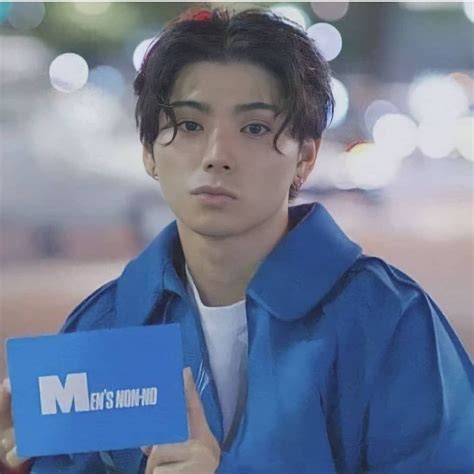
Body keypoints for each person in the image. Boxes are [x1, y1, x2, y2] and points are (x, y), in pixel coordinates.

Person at [1, 7, 473, 474]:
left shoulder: (386, 321)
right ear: (149, 151)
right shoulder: (104, 328)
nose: (216, 155)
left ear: (305, 158)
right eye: (189, 125)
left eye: (254, 128)